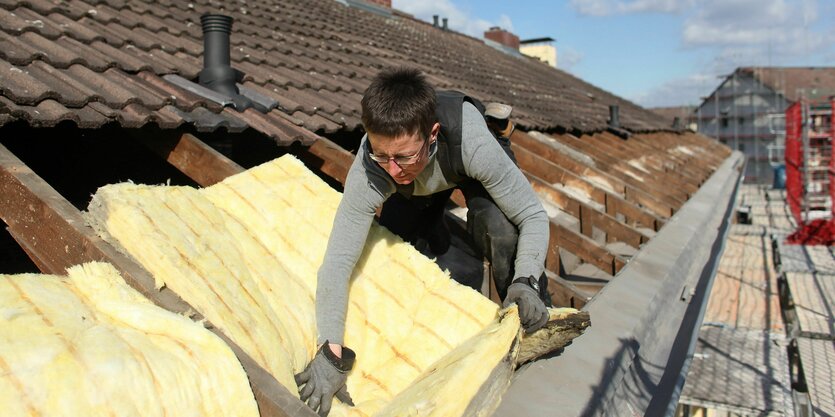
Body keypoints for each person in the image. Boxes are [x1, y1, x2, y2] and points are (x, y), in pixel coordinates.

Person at [295, 67, 550, 416]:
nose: (391, 169)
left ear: (431, 134)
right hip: (421, 183)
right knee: (399, 249)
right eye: (381, 154)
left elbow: (533, 216)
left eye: (402, 155)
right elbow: (337, 263)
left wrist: (527, 280)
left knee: (501, 229)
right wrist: (330, 352)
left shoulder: (470, 141)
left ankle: (529, 313)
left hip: (460, 161)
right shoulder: (374, 167)